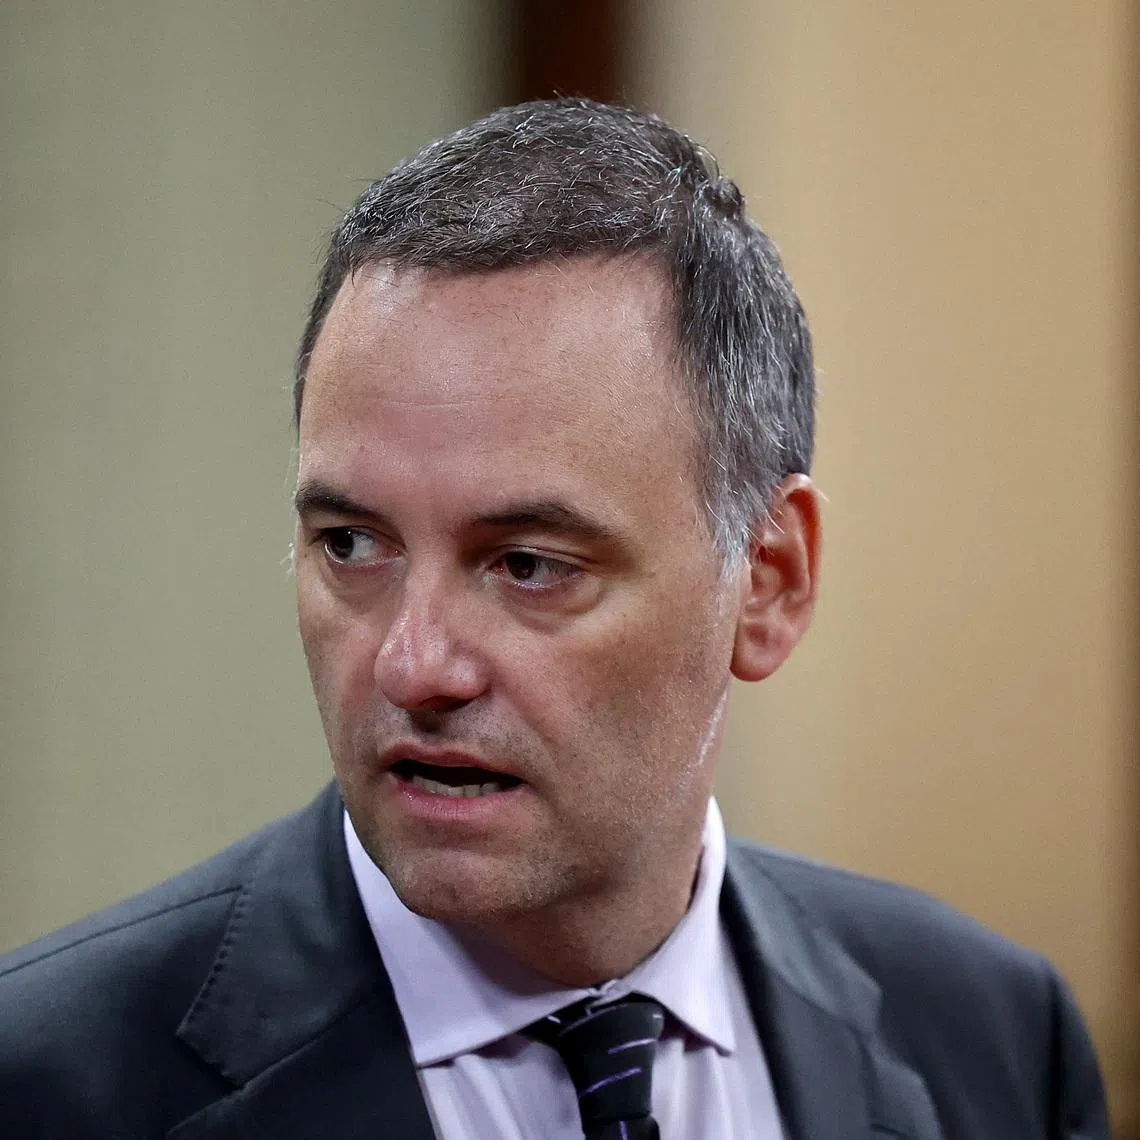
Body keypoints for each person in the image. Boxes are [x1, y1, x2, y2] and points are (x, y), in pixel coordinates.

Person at [0, 98, 1108, 1140]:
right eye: (353, 545)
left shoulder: (995, 1036)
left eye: (528, 565)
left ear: (767, 580)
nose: (414, 666)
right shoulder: (45, 1083)